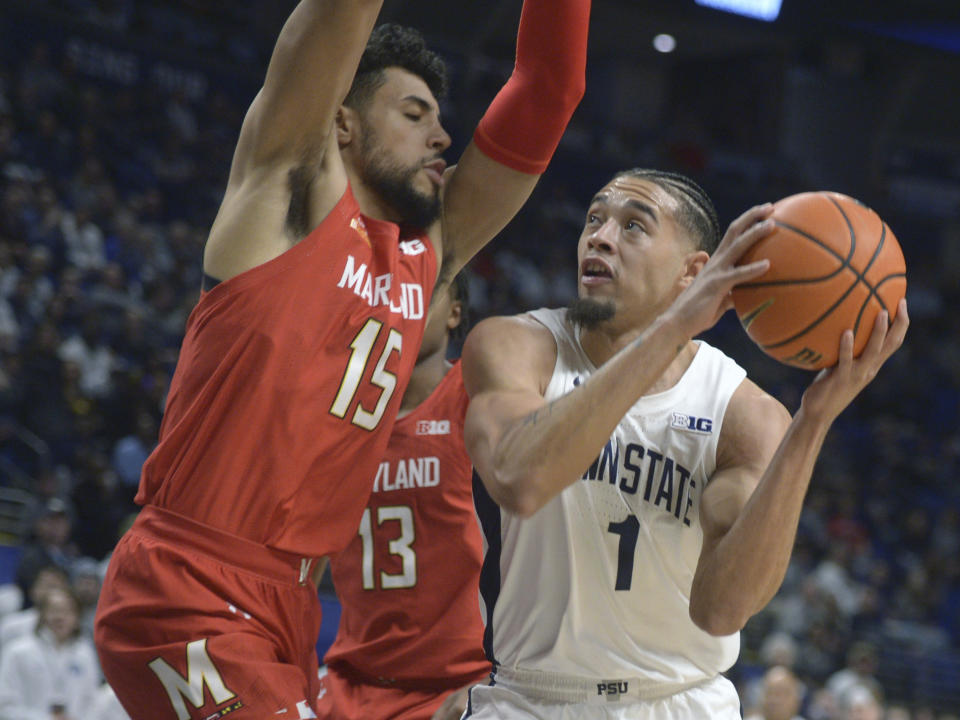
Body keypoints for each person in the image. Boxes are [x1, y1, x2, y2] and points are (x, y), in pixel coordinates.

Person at [94, 1, 590, 718]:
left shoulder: (427, 258)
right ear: (344, 123)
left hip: (289, 605)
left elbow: (550, 89)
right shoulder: (282, 193)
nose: (443, 136)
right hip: (187, 586)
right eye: (414, 114)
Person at [460, 168, 909, 719]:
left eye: (634, 226)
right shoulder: (518, 346)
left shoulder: (741, 414)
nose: (600, 236)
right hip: (530, 699)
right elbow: (520, 480)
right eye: (595, 219)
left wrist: (812, 423)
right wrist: (672, 327)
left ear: (693, 272)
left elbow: (723, 609)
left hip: (681, 701)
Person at [316, 273, 488, 720]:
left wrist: (502, 678)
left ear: (455, 313)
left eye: (424, 292)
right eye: (390, 293)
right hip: (352, 685)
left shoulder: (480, 400)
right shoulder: (330, 419)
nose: (403, 306)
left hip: (464, 684)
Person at [0, 586, 102, 720]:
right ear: (41, 615)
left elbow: (93, 703)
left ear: (77, 617)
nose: (60, 617)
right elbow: (4, 706)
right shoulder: (18, 651)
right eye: (54, 610)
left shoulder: (85, 653)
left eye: (67, 611)